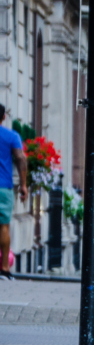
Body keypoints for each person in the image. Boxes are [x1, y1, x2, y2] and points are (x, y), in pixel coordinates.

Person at [0, 104, 28, 280]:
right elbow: (20, 158)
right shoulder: (11, 136)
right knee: (3, 226)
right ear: (3, 117)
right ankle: (4, 269)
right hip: (3, 187)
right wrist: (23, 184)